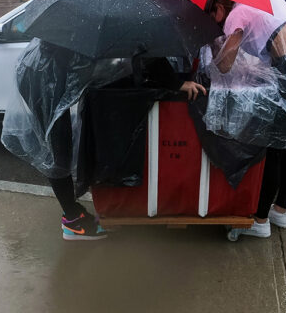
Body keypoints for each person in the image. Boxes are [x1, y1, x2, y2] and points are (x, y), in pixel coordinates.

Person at [40, 55, 205, 241]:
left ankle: (72, 213)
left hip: (51, 71)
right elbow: (146, 49)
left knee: (59, 148)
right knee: (57, 151)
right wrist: (175, 83)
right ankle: (72, 222)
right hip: (47, 77)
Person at [201, 0, 286, 240]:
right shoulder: (255, 11)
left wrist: (212, 53)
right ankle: (281, 211)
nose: (214, 21)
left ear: (220, 7)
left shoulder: (237, 13)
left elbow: (225, 65)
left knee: (274, 147)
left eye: (212, 15)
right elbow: (258, 64)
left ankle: (261, 220)